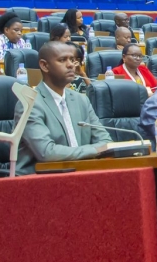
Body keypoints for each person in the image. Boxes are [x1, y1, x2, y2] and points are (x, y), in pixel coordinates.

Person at [13, 41, 111, 175]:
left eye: (72, 59)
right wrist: (95, 150)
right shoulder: (31, 103)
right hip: (39, 181)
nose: (71, 65)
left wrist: (101, 148)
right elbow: (47, 153)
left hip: (80, 175)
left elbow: (106, 141)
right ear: (44, 65)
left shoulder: (81, 100)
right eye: (62, 60)